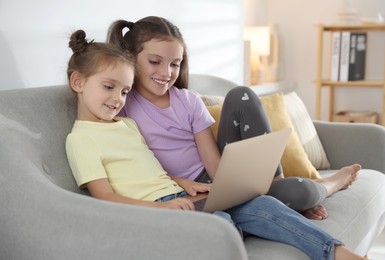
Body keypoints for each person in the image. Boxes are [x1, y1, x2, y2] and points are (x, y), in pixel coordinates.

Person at [65, 28, 365, 260]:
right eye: (109, 87)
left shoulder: (126, 124)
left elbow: (149, 170)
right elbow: (103, 196)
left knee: (258, 204)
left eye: (124, 91)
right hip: (156, 209)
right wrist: (163, 208)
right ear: (78, 82)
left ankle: (335, 252)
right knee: (227, 220)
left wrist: (186, 184)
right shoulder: (81, 139)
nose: (118, 99)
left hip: (183, 195)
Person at [107, 16, 361, 221]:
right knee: (302, 191)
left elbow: (215, 169)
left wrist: (236, 185)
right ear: (129, 57)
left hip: (214, 181)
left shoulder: (188, 101)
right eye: (155, 62)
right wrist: (180, 182)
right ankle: (329, 185)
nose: (166, 72)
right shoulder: (121, 106)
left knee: (242, 95)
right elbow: (133, 169)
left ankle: (277, 185)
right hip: (178, 193)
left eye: (174, 64)